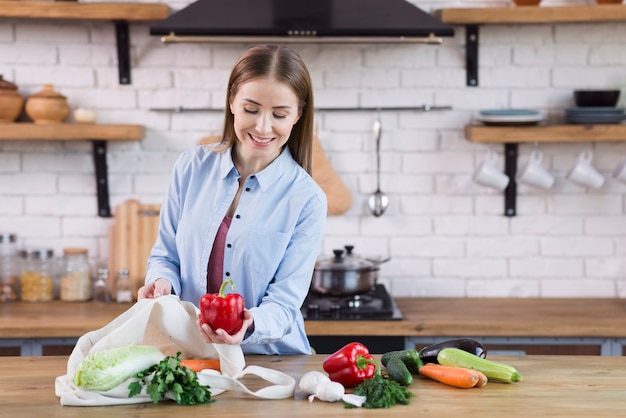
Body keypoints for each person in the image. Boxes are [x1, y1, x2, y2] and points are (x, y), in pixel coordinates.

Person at [137, 44, 327, 355]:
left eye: (279, 114)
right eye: (251, 109)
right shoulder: (190, 167)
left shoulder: (306, 199)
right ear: (232, 102)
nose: (263, 127)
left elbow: (284, 303)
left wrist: (248, 327)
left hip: (271, 363)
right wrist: (162, 282)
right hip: (193, 356)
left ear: (298, 115)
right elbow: (166, 255)